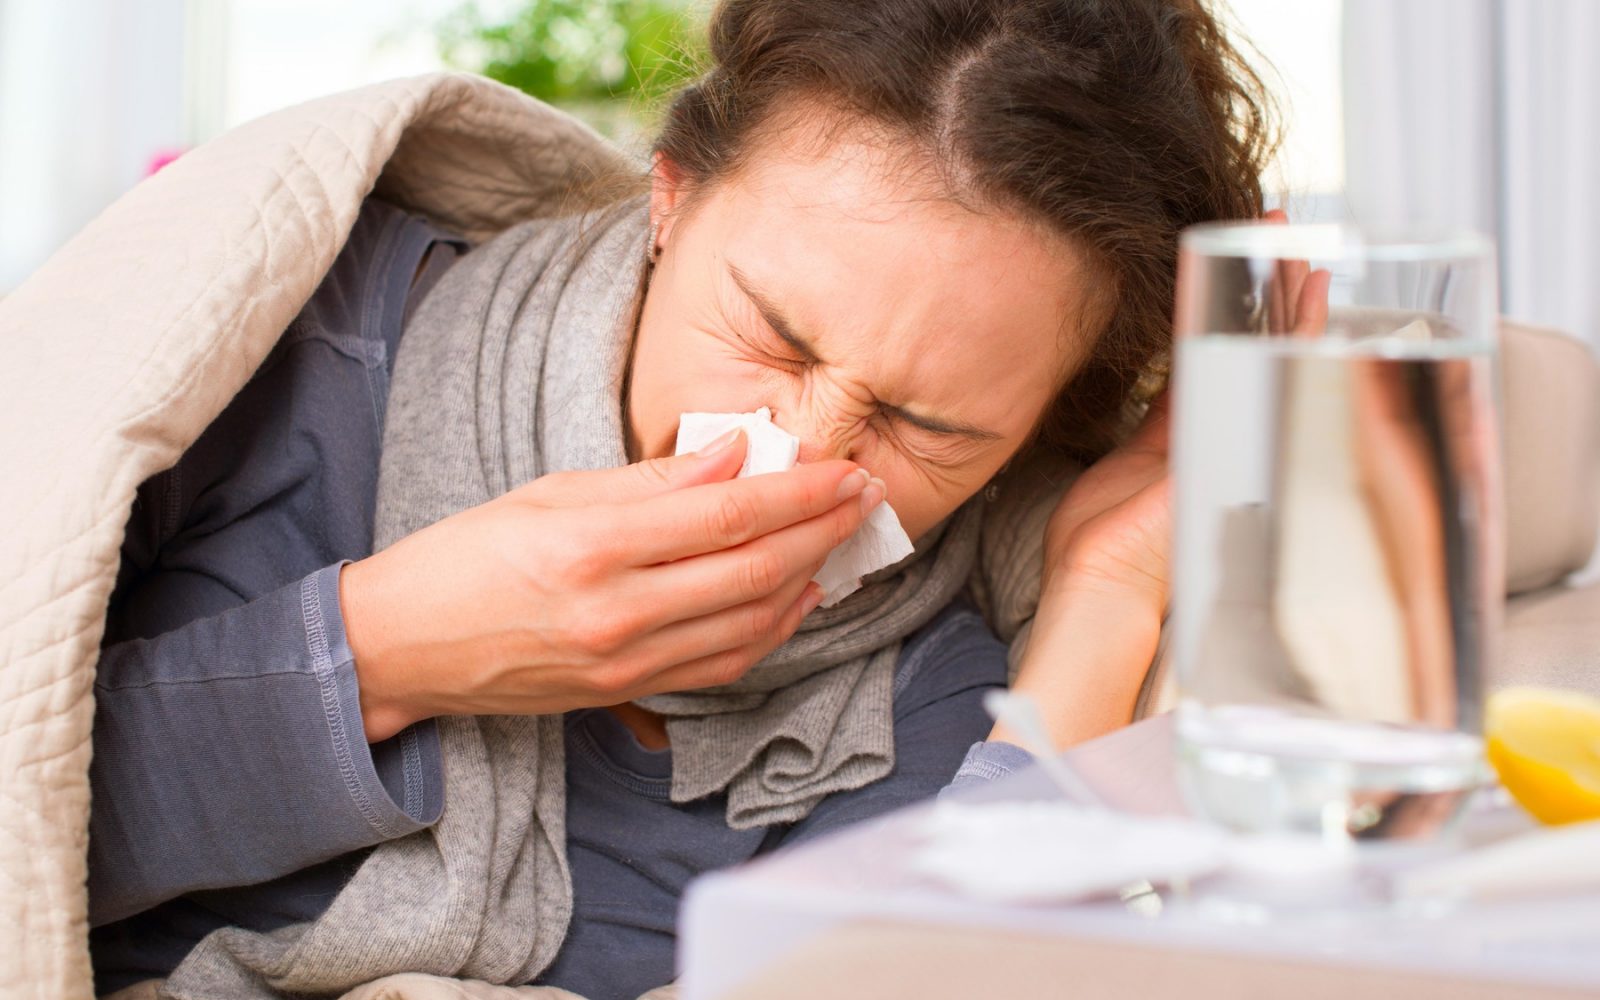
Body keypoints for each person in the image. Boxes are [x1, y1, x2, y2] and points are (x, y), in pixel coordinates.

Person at [87, 0, 1278, 997]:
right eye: (774, 336)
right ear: (671, 197)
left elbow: (939, 968)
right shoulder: (285, 352)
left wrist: (1105, 593)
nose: (801, 457)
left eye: (926, 427)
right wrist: (390, 648)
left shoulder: (932, 672)